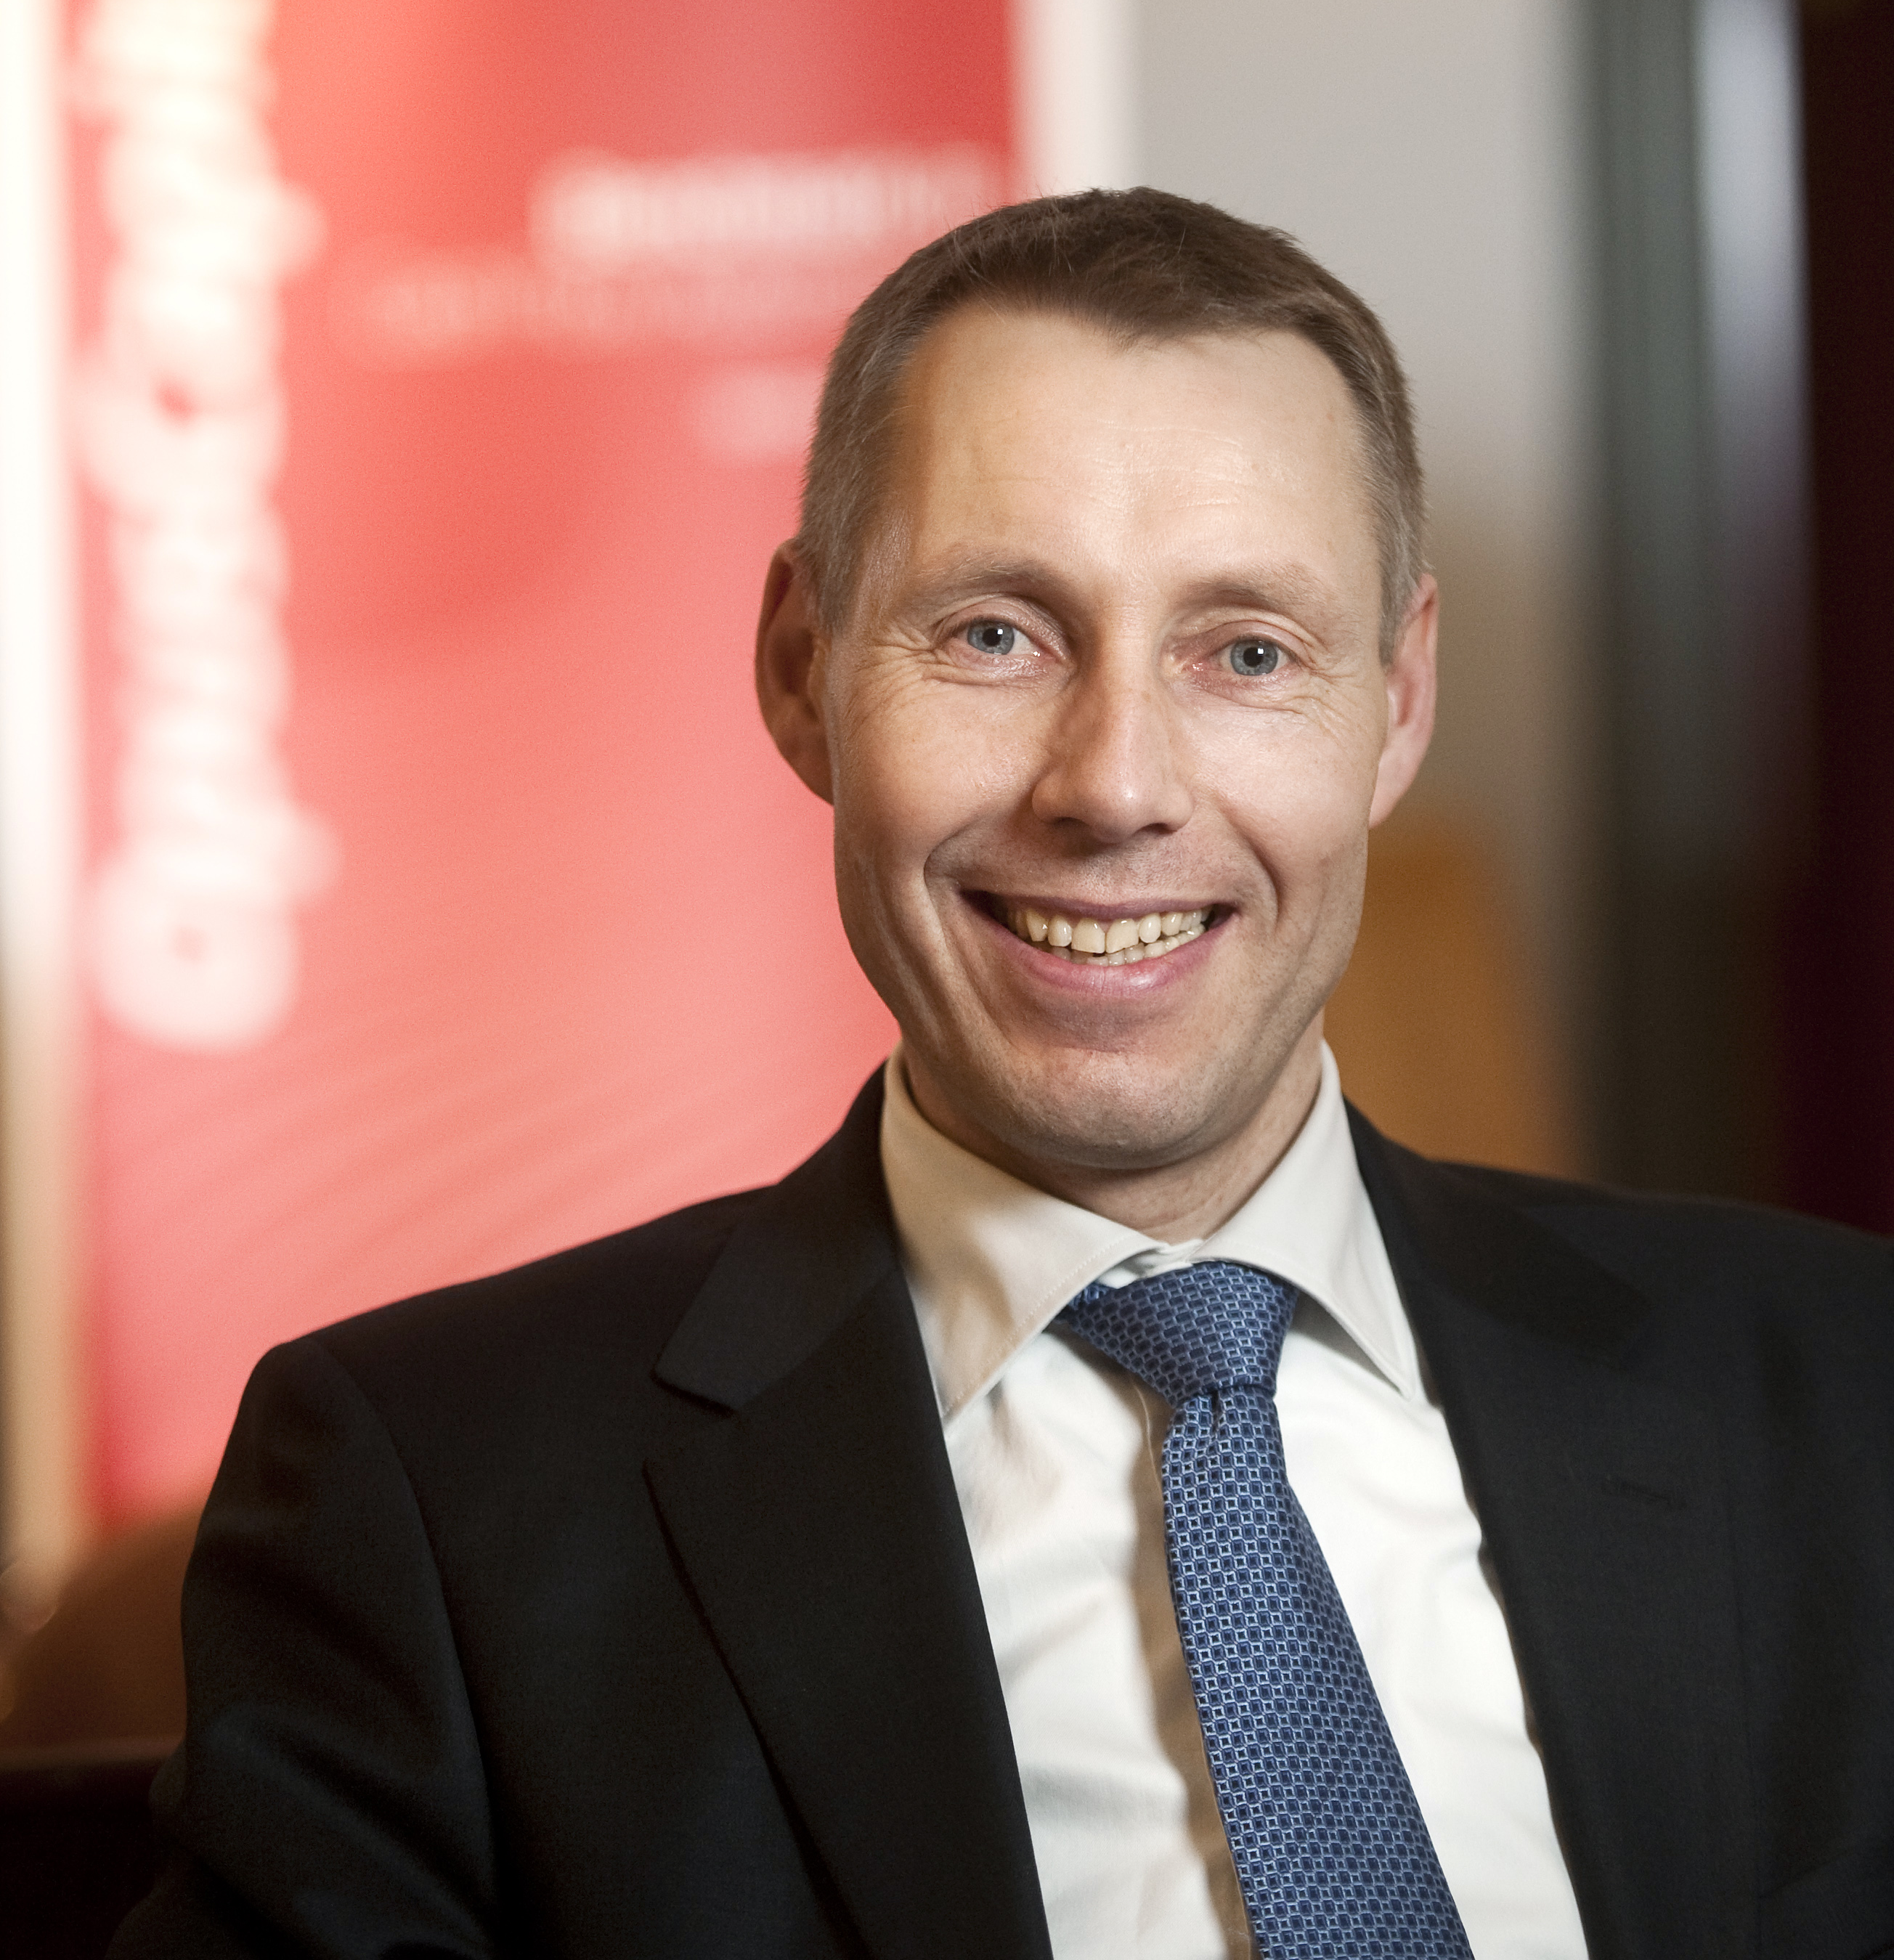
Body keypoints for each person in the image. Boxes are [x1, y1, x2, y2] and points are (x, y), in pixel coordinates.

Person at [115, 189, 1893, 1960]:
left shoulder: (1840, 1389)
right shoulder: (430, 1501)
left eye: (1246, 651)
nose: (1112, 783)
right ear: (801, 670)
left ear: (1397, 701)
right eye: (992, 633)